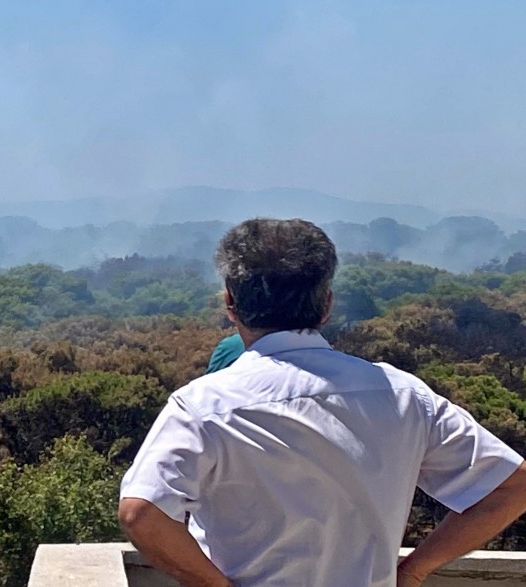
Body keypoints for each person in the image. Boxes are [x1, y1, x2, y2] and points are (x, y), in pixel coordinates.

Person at [118, 218, 526, 587]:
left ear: (230, 304)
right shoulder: (403, 395)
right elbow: (512, 485)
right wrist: (414, 570)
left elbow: (141, 512)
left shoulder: (204, 406)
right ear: (327, 303)